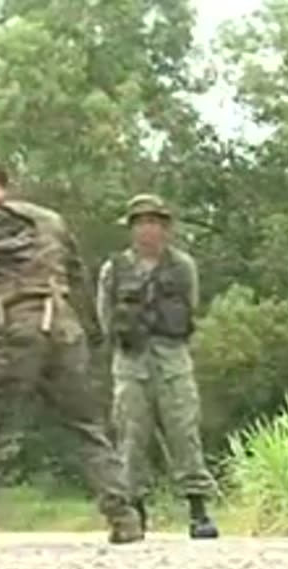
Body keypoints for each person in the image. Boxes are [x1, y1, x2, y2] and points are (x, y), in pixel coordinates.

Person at [0, 164, 140, 543]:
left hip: (14, 326)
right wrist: (92, 333)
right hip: (64, 327)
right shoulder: (51, 221)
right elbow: (79, 278)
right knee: (86, 427)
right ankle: (124, 515)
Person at [96, 193, 219, 539]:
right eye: (141, 223)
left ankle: (198, 510)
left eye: (154, 222)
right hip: (131, 361)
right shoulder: (115, 269)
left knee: (184, 431)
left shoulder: (182, 266)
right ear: (131, 229)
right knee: (132, 436)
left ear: (165, 228)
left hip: (173, 357)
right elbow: (104, 316)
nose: (148, 230)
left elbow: (191, 305)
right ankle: (133, 509)